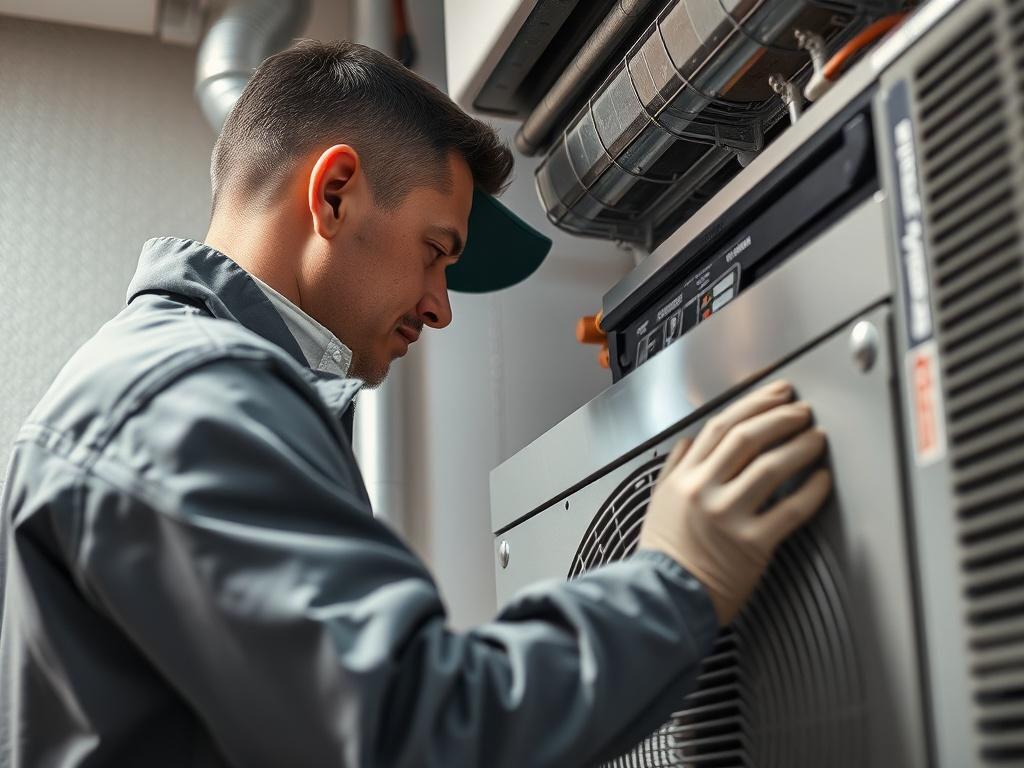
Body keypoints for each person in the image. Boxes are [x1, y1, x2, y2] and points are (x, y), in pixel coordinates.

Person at [0, 40, 831, 767]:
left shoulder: (176, 386)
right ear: (333, 196)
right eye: (437, 252)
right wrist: (677, 581)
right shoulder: (192, 398)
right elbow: (409, 729)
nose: (440, 306)